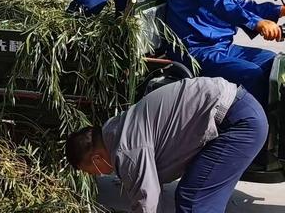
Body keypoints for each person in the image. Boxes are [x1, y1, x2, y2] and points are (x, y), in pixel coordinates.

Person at [65, 77, 268, 213]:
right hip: (239, 111)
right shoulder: (117, 130)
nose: (97, 174)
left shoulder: (127, 148)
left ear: (97, 158)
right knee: (193, 194)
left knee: (193, 200)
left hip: (239, 123)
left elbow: (148, 203)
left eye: (91, 171)